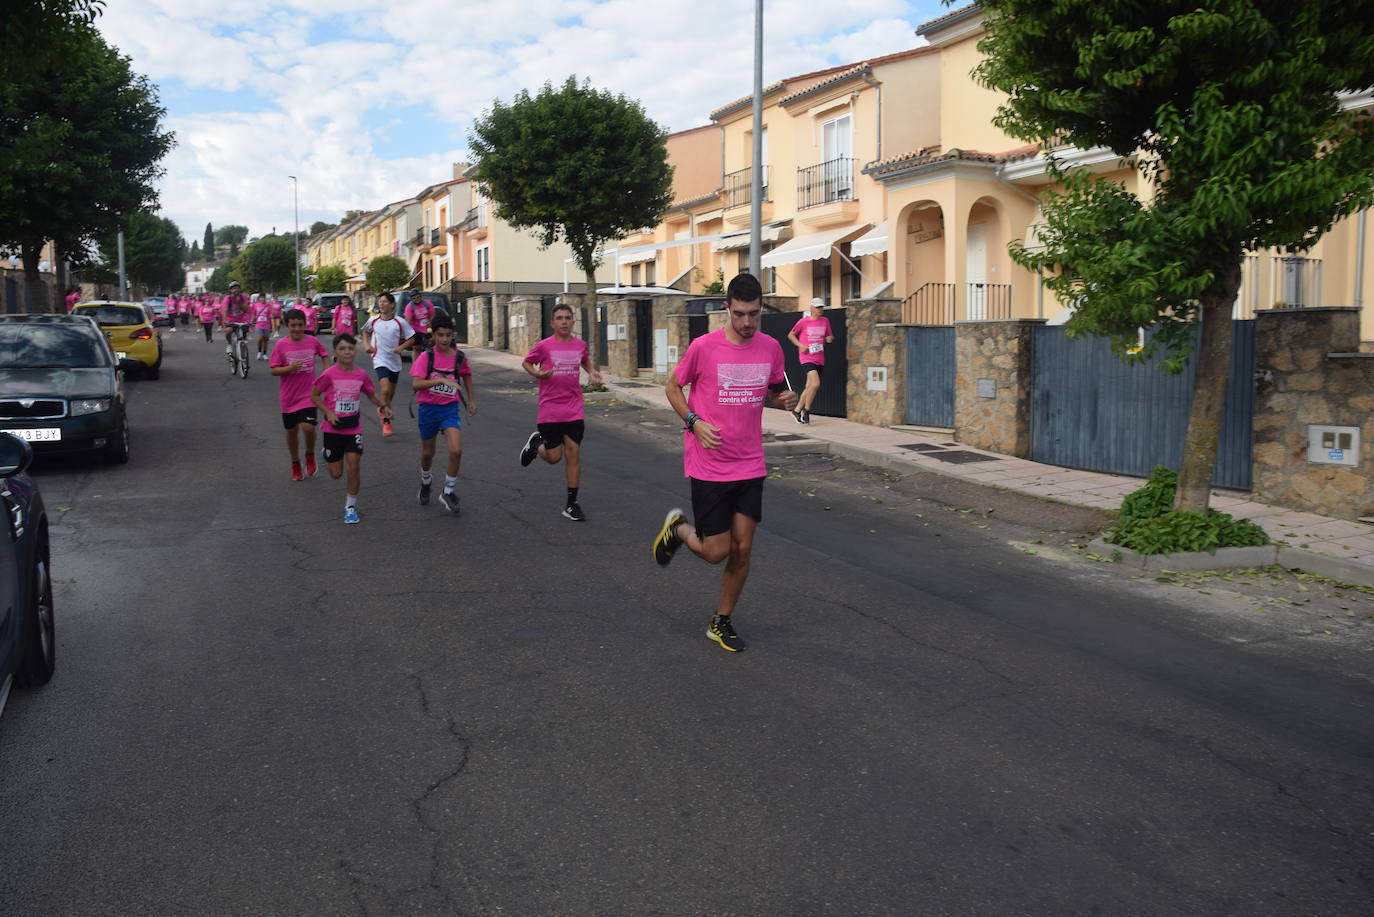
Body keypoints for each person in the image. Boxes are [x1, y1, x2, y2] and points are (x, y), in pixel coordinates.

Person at [650, 273, 797, 653]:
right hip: (710, 464)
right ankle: (680, 530)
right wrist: (693, 422)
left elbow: (776, 390)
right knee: (717, 552)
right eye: (740, 314)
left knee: (743, 549)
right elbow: (672, 387)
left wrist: (785, 401)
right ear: (727, 309)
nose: (747, 323)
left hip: (750, 463)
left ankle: (721, 621)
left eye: (754, 314)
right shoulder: (703, 347)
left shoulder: (770, 348)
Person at [518, 302, 602, 521]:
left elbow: (584, 360)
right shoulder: (544, 346)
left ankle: (571, 504)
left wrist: (592, 372)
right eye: (560, 318)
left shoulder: (580, 345)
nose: (564, 321)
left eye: (567, 318)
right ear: (552, 323)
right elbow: (527, 362)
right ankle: (537, 444)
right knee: (554, 457)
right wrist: (537, 374)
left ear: (573, 321)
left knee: (573, 451)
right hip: (550, 409)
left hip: (574, 408)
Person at [311, 334, 393, 524]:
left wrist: (384, 406)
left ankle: (350, 507)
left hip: (353, 428)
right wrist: (328, 413)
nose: (347, 351)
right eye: (342, 348)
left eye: (350, 348)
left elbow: (371, 395)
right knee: (336, 474)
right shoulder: (329, 374)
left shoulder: (361, 375)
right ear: (335, 352)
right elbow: (314, 396)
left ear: (354, 351)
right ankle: (326, 454)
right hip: (333, 429)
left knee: (354, 468)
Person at [410, 312, 474, 514]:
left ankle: (448, 491)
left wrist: (471, 399)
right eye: (440, 335)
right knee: (428, 454)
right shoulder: (426, 357)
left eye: (448, 335)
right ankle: (426, 480)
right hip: (428, 409)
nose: (445, 339)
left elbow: (466, 375)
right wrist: (440, 380)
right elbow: (416, 383)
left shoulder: (459, 357)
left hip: (449, 409)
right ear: (434, 335)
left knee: (456, 450)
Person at [270, 308, 329, 480]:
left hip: (309, 395)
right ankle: (295, 462)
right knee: (292, 431)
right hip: (288, 397)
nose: (297, 329)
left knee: (308, 427)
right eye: (293, 325)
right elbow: (274, 370)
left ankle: (309, 454)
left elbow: (324, 354)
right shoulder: (281, 345)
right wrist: (289, 368)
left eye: (300, 325)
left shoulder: (312, 341)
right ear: (287, 326)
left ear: (305, 325)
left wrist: (325, 372)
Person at [361, 292, 415, 437]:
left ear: (392, 305)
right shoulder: (373, 320)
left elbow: (411, 338)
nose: (381, 304)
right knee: (384, 390)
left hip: (395, 361)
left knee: (390, 394)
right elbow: (365, 331)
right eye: (380, 302)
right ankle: (385, 420)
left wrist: (400, 348)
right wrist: (366, 345)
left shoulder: (399, 322)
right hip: (379, 358)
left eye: (385, 302)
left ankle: (383, 408)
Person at [786, 297, 835, 424]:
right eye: (817, 307)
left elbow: (829, 335)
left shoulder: (825, 321)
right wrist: (800, 345)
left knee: (809, 387)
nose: (820, 310)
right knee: (815, 384)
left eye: (821, 307)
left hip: (819, 357)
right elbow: (791, 335)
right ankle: (806, 411)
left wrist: (829, 338)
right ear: (811, 308)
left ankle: (796, 411)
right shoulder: (803, 322)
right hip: (806, 357)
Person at [221, 281, 252, 354]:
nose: (236, 290)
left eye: (237, 288)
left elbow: (246, 310)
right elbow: (224, 310)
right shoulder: (228, 298)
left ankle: (242, 345)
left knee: (245, 332)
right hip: (231, 320)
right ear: (230, 290)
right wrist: (225, 320)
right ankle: (229, 344)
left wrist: (240, 302)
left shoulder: (243, 297)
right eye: (234, 288)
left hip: (242, 320)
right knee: (228, 331)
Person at [403, 290, 434, 360]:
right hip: (416, 330)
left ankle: (429, 363)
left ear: (420, 296)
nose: (417, 299)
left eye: (418, 297)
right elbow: (408, 321)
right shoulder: (410, 307)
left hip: (428, 328)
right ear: (411, 299)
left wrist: (430, 326)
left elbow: (432, 315)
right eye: (414, 298)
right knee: (416, 348)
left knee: (431, 345)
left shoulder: (427, 304)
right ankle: (415, 366)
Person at [252, 294, 275, 360]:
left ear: (265, 298)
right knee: (260, 338)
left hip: (266, 325)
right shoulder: (255, 305)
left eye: (263, 298)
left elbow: (270, 314)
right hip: (258, 325)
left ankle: (264, 354)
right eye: (261, 298)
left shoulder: (268, 305)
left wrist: (272, 316)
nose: (262, 299)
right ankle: (259, 352)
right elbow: (253, 314)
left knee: (265, 340)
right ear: (259, 299)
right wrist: (251, 323)